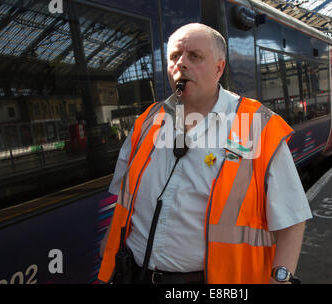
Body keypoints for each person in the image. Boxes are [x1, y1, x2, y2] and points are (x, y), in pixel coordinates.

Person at [98, 23, 312, 284]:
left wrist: (281, 278)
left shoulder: (255, 125)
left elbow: (292, 217)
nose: (181, 64)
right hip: (133, 274)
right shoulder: (147, 122)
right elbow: (123, 196)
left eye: (194, 56)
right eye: (174, 56)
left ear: (219, 68)